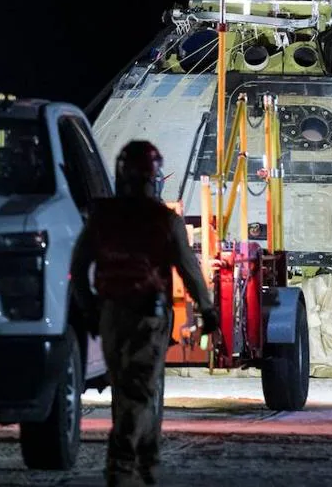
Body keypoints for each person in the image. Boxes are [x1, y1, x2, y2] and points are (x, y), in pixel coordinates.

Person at [70, 140, 220, 487]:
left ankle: (148, 465)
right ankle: (121, 466)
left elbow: (79, 269)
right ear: (154, 176)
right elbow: (189, 270)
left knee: (128, 391)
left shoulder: (101, 217)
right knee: (141, 392)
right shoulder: (164, 220)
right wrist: (207, 310)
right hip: (148, 319)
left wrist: (90, 307)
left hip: (109, 315)